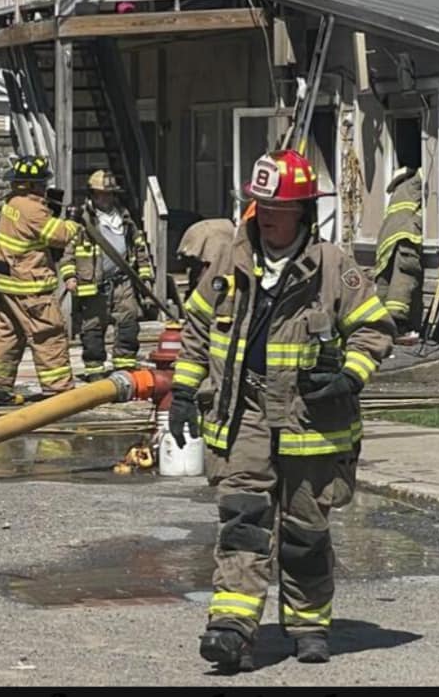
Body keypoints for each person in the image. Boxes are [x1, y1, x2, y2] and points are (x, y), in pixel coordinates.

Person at [169, 150, 395, 673]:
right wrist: (182, 391)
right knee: (243, 522)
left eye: (278, 207)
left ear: (303, 212)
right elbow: (197, 329)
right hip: (243, 414)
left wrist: (349, 376)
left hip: (310, 422)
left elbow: (374, 328)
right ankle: (231, 629)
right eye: (261, 205)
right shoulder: (228, 261)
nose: (266, 215)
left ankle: (309, 625)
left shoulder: (332, 266)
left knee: (304, 532)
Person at [0, 154, 82, 406]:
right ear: (32, 184)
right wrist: (73, 221)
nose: (44, 187)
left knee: (8, 334)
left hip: (7, 285)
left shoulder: (12, 202)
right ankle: (59, 392)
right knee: (48, 334)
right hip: (30, 286)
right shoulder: (33, 208)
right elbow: (59, 236)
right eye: (41, 183)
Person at [59, 169, 155, 379]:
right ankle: (95, 370)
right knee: (93, 328)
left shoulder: (125, 218)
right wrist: (70, 276)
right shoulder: (82, 221)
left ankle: (125, 366)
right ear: (92, 195)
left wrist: (145, 277)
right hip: (93, 286)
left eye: (109, 194)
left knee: (129, 322)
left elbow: (140, 249)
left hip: (123, 282)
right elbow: (68, 254)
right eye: (101, 194)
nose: (106, 198)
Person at [375, 165, 424, 339]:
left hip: (386, 242)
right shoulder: (411, 185)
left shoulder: (396, 192)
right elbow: (428, 172)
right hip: (406, 239)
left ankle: (380, 323)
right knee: (403, 279)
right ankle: (397, 323)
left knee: (385, 281)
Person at [177, 216, 237, 293]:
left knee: (196, 268)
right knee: (206, 269)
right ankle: (199, 289)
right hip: (203, 236)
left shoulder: (225, 227)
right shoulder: (229, 229)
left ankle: (193, 289)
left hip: (194, 233)